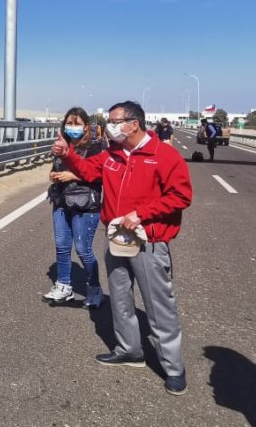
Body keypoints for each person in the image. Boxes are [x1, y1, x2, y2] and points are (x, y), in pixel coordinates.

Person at [52, 100, 193, 395]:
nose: (111, 126)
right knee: (120, 297)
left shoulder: (164, 155)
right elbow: (89, 171)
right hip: (116, 237)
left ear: (134, 124)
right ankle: (129, 349)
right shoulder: (112, 155)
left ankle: (173, 367)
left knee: (158, 306)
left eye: (116, 121)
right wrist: (68, 155)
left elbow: (181, 196)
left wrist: (141, 214)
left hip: (148, 240)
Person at [43, 108, 104, 308]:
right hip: (61, 201)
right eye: (69, 123)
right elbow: (56, 168)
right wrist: (54, 175)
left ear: (86, 126)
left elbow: (100, 175)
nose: (73, 127)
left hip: (86, 204)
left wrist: (73, 176)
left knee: (83, 249)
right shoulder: (62, 145)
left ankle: (94, 288)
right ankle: (64, 286)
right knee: (61, 246)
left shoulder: (96, 147)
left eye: (77, 123)